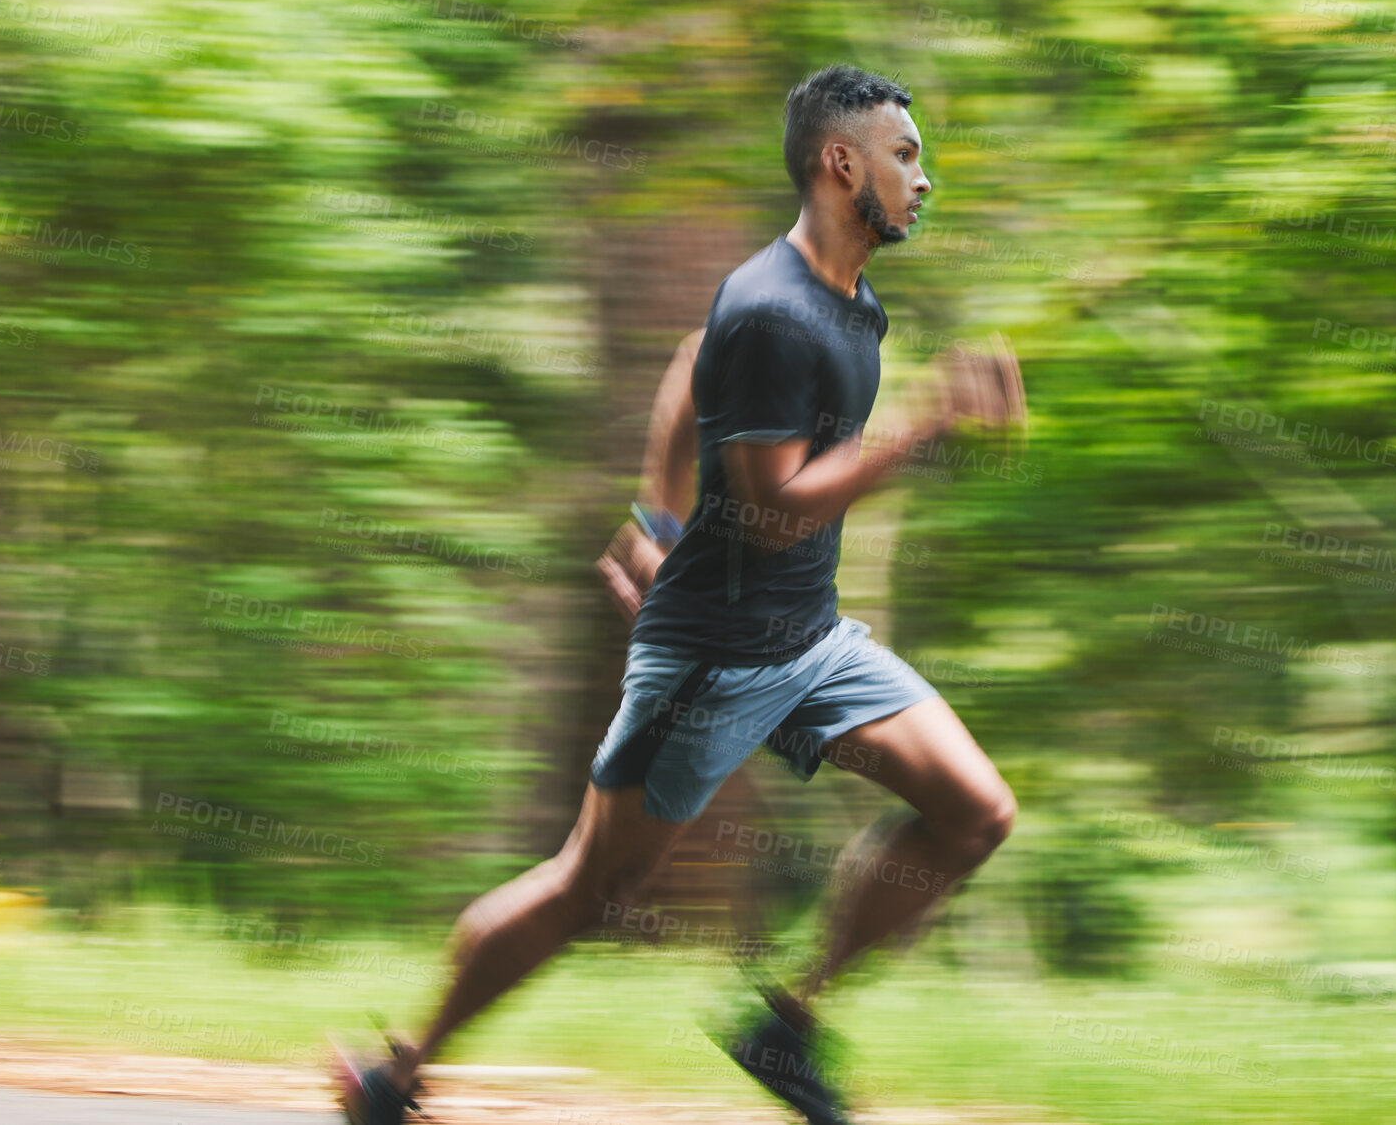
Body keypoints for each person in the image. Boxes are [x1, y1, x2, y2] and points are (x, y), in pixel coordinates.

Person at [335, 63, 1025, 1125]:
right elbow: (779, 502)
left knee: (975, 808)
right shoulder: (771, 308)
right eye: (906, 154)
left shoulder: (855, 308)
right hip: (707, 656)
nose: (922, 178)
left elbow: (693, 362)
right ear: (843, 163)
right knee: (592, 889)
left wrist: (654, 515)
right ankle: (398, 1074)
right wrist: (927, 427)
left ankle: (785, 1026)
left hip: (806, 639)